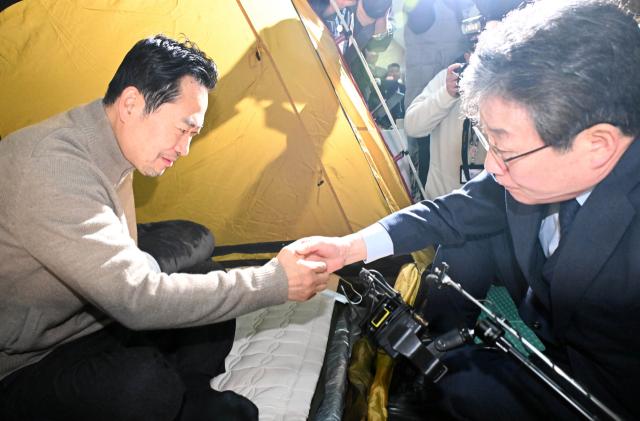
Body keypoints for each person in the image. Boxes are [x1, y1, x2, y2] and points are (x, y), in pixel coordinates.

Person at [293, 0, 640, 419]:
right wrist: (349, 248)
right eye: (487, 141)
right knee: (465, 236)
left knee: (460, 390)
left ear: (597, 146)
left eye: (504, 149)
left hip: (604, 390)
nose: (490, 165)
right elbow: (451, 211)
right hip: (548, 316)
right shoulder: (536, 165)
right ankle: (432, 352)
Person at [0, 35, 329, 421]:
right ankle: (176, 396)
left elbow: (129, 269)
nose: (184, 149)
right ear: (131, 104)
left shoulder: (114, 146)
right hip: (23, 364)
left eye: (193, 135)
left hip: (87, 324)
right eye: (183, 129)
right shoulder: (54, 168)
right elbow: (135, 299)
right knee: (144, 385)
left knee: (205, 276)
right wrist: (273, 282)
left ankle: (186, 391)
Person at [404, 1, 522, 199]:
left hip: (492, 203)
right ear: (467, 55)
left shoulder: (512, 86)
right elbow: (412, 126)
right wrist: (447, 94)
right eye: (477, 51)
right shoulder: (447, 79)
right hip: (443, 202)